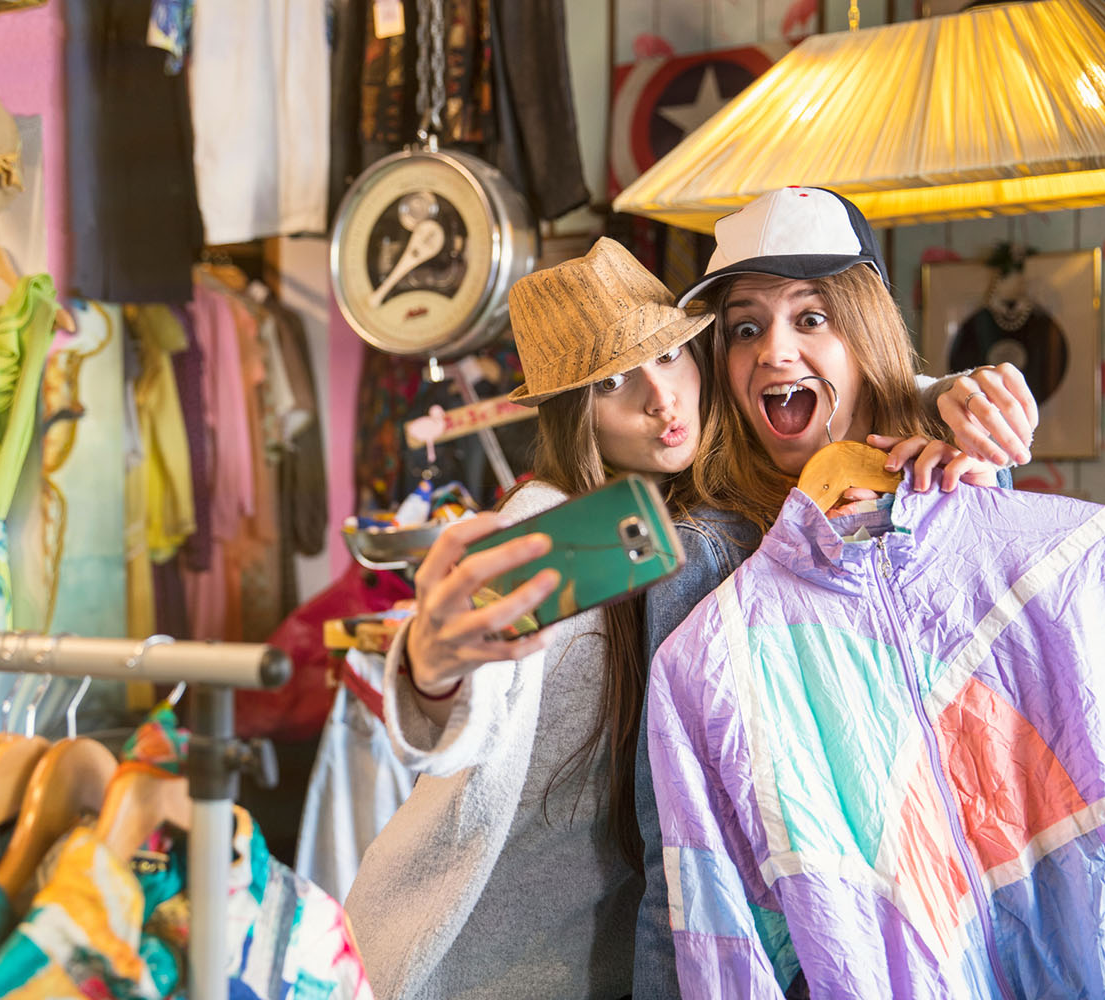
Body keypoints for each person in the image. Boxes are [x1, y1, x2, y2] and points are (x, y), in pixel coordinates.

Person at [344, 229, 1033, 999]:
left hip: (622, 957)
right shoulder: (553, 523)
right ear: (575, 414)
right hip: (478, 957)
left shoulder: (713, 504)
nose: (660, 399)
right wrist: (432, 670)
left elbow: (842, 383)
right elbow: (471, 692)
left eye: (670, 355)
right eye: (611, 383)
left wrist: (945, 399)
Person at [630, 186, 1038, 999]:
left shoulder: (954, 489)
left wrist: (954, 446)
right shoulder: (704, 555)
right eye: (745, 328)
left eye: (811, 317)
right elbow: (677, 848)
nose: (773, 351)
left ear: (865, 331)